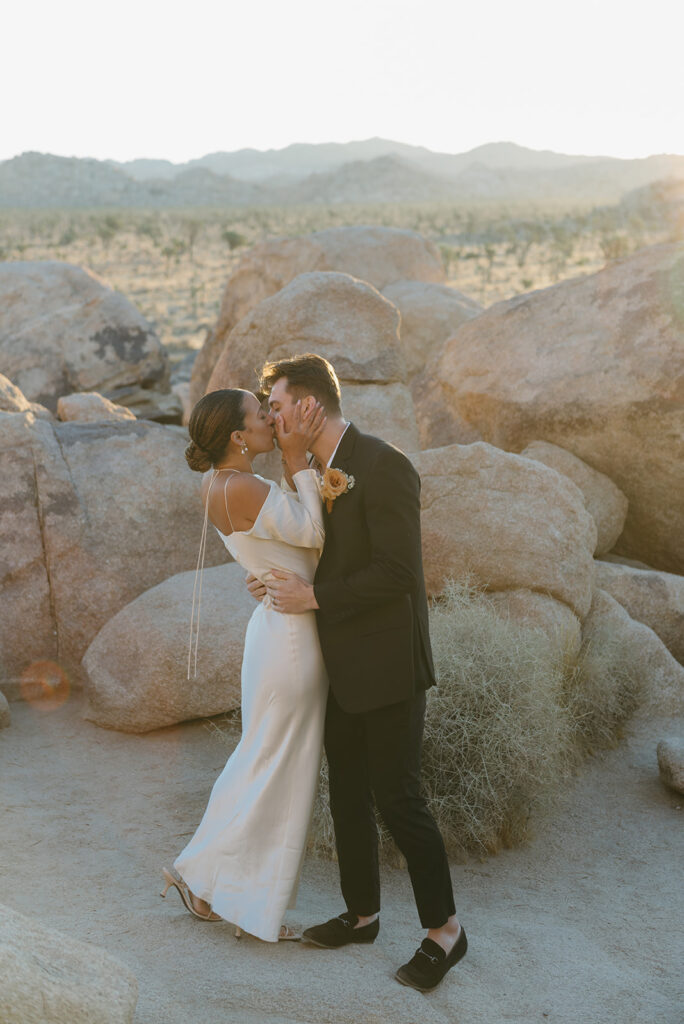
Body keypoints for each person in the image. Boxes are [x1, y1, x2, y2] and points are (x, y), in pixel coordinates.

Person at [249, 353, 467, 992]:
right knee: (345, 791)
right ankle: (363, 914)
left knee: (398, 798)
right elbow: (318, 557)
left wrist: (312, 598)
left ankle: (445, 932)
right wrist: (275, 582)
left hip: (390, 662)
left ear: (313, 403)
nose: (273, 417)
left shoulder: (384, 464)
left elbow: (400, 574)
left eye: (281, 405)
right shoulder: (314, 472)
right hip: (339, 663)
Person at [161, 386, 330, 942]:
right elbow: (316, 538)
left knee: (258, 762)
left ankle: (207, 882)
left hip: (273, 632)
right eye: (263, 417)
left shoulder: (217, 484)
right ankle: (234, 897)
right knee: (281, 772)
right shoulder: (250, 485)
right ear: (239, 436)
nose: (271, 421)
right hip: (292, 640)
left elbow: (266, 549)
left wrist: (263, 571)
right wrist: (297, 462)